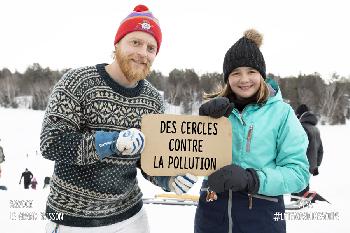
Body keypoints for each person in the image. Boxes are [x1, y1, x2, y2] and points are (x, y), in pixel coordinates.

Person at [40, 4, 196, 232]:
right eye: (136, 42)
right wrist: (111, 142)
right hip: (73, 219)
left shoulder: (153, 99)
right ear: (117, 44)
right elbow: (51, 143)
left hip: (131, 217)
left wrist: (167, 179)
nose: (143, 52)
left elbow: (147, 158)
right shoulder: (77, 82)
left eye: (151, 48)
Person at [195, 29, 310, 233]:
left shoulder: (282, 114)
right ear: (227, 78)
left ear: (262, 75)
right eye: (236, 73)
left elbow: (298, 174)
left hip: (261, 220)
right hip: (212, 217)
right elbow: (191, 158)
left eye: (251, 72)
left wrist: (253, 179)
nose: (244, 79)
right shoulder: (218, 111)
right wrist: (202, 124)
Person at [292, 104, 323, 200]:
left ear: (299, 115)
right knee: (303, 186)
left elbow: (297, 148)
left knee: (297, 189)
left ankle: (299, 204)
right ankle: (303, 202)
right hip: (310, 165)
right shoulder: (315, 129)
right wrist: (316, 166)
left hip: (300, 164)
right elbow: (320, 150)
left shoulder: (301, 128)